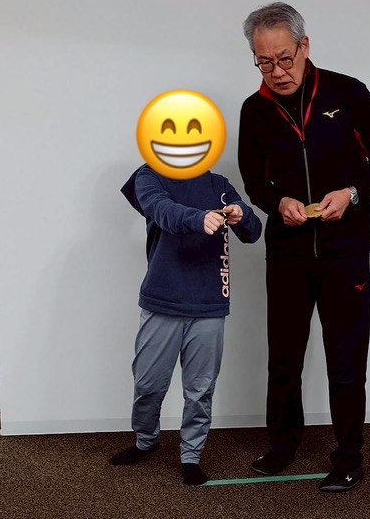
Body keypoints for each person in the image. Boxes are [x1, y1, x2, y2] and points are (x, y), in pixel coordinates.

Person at [237, 2, 370, 492]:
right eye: (264, 62)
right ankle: (282, 445)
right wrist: (278, 202)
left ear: (304, 46)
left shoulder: (348, 93)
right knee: (284, 358)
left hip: (345, 251)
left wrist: (351, 194)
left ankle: (348, 457)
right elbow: (253, 181)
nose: (277, 72)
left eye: (284, 58)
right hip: (287, 253)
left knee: (346, 361)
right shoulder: (254, 110)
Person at [110, 165, 261, 484]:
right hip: (161, 300)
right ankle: (146, 441)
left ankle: (191, 455)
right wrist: (199, 218)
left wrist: (241, 214)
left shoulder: (219, 184)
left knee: (200, 389)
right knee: (148, 384)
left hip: (209, 304)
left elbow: (253, 232)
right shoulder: (149, 176)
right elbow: (162, 210)